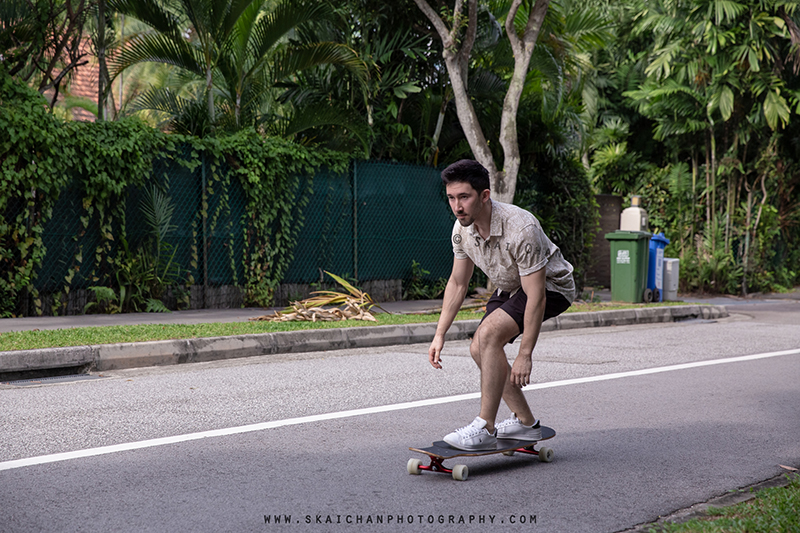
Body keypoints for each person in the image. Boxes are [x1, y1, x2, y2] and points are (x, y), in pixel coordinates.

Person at [428, 159, 576, 451]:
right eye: (451, 198)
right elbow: (458, 283)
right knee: (478, 348)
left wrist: (525, 354)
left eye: (464, 197)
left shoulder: (521, 227)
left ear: (484, 195)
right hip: (511, 285)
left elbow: (536, 295)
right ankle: (526, 423)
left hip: (551, 287)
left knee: (488, 335)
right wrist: (439, 334)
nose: (457, 206)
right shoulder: (462, 229)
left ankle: (485, 426)